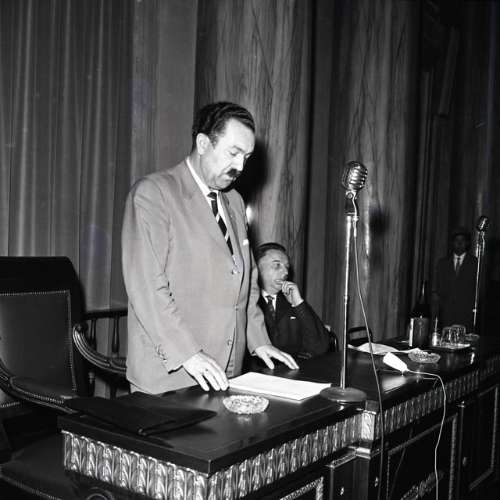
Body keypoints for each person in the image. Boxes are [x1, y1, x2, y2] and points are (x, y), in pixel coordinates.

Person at [122, 102, 298, 394]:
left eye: (247, 157)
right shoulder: (154, 194)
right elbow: (146, 288)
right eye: (233, 153)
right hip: (172, 376)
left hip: (226, 372)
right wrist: (189, 354)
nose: (240, 167)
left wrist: (259, 340)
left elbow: (246, 283)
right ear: (203, 144)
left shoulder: (234, 202)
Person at [255, 242, 334, 358]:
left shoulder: (290, 301)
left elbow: (320, 347)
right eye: (277, 265)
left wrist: (298, 303)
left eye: (286, 267)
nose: (286, 272)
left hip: (291, 368)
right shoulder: (248, 303)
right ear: (256, 268)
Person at [433, 227, 478, 332]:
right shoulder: (442, 263)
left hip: (467, 316)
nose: (459, 243)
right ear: (452, 243)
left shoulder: (475, 263)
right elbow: (438, 289)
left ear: (467, 243)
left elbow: (479, 290)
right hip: (446, 316)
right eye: (456, 240)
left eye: (462, 240)